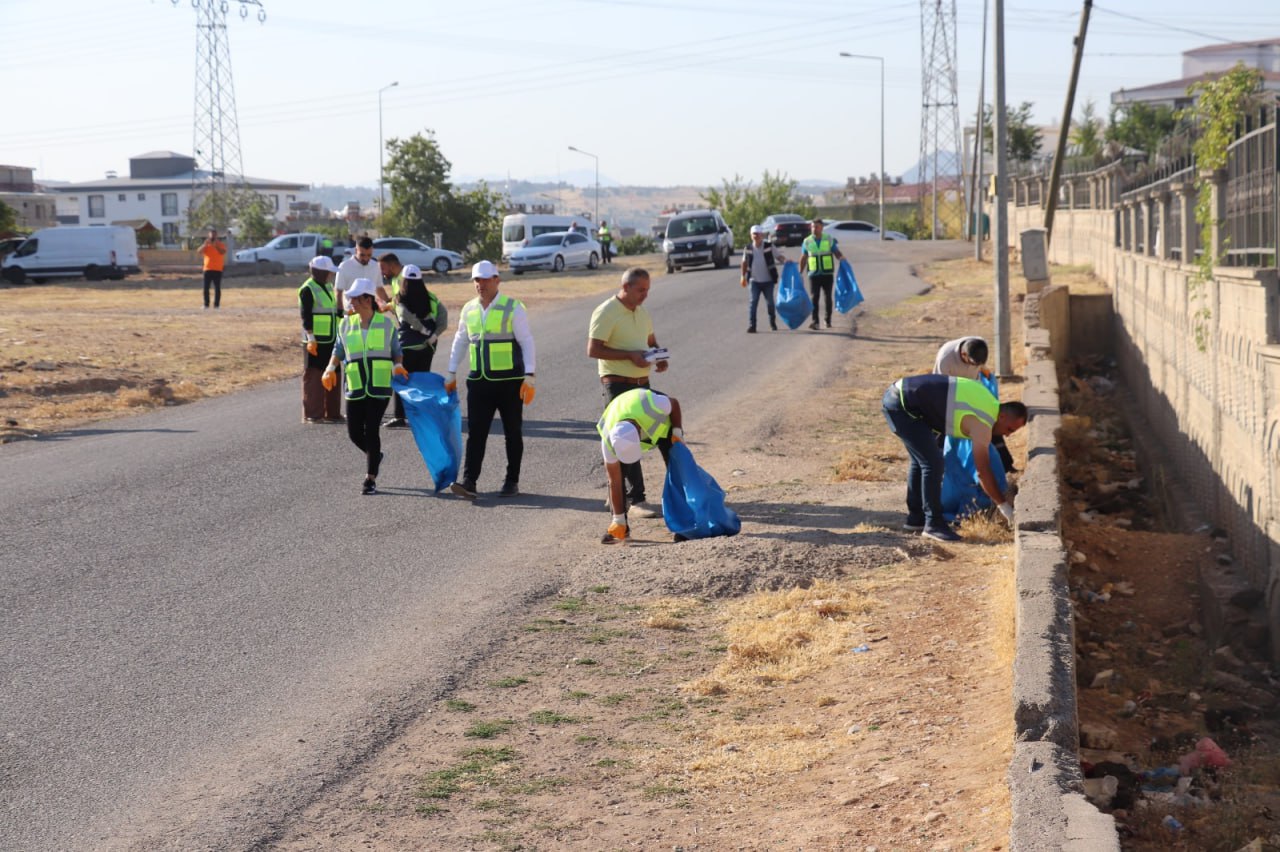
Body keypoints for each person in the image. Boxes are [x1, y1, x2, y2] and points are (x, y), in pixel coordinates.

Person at [881, 374, 1027, 542]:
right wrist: (1004, 506)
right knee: (933, 463)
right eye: (1010, 429)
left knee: (921, 461)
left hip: (900, 396)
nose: (1007, 435)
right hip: (903, 405)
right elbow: (982, 472)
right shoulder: (983, 422)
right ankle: (933, 525)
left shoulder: (986, 398)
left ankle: (917, 519)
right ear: (1002, 416)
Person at [446, 260, 536, 499]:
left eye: (485, 279)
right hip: (480, 382)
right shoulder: (469, 309)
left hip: (510, 381)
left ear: (497, 280)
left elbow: (526, 341)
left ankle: (511, 481)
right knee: (476, 432)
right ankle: (469, 481)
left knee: (512, 432)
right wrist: (451, 372)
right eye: (477, 279)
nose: (481, 284)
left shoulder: (512, 307)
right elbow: (460, 340)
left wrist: (530, 375)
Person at [587, 267, 668, 518]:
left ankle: (619, 492)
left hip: (641, 383)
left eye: (648, 290)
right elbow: (593, 349)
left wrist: (659, 355)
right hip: (618, 383)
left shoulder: (641, 312)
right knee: (625, 438)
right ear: (626, 287)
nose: (645, 295)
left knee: (657, 432)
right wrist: (629, 356)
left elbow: (650, 340)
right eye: (641, 290)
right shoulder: (606, 311)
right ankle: (636, 500)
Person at [322, 278, 408, 495]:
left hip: (379, 386)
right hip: (355, 385)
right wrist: (330, 369)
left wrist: (398, 365)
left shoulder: (386, 324)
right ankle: (375, 455)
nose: (351, 300)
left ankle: (370, 478)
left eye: (355, 297)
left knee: (371, 430)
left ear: (368, 299)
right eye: (350, 297)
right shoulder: (345, 324)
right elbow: (338, 350)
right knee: (353, 433)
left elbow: (397, 350)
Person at [597, 388, 683, 545]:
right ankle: (620, 527)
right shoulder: (608, 438)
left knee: (677, 471)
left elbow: (674, 403)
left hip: (663, 423)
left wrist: (677, 432)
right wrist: (618, 519)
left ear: (638, 431)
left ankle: (683, 525)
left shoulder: (653, 404)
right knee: (619, 476)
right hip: (627, 415)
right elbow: (614, 482)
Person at [384, 263, 448, 428]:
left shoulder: (399, 297)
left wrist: (421, 329)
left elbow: (405, 316)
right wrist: (433, 335)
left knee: (401, 379)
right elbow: (443, 316)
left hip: (405, 347)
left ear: (403, 280)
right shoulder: (431, 297)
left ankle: (400, 416)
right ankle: (420, 414)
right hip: (427, 347)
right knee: (421, 379)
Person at [298, 255, 343, 423]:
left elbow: (332, 311)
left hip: (331, 338)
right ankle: (313, 414)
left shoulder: (327, 286)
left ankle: (333, 413)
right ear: (319, 272)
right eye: (328, 272)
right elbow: (306, 315)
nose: (331, 275)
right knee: (314, 376)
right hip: (315, 341)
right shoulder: (308, 289)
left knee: (334, 373)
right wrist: (310, 337)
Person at [797, 218, 844, 330]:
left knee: (828, 297)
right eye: (812, 227)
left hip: (827, 273)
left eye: (817, 227)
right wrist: (800, 272)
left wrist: (841, 258)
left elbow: (836, 251)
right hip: (813, 274)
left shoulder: (828, 239)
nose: (814, 229)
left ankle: (827, 321)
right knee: (814, 298)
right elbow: (803, 257)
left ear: (822, 227)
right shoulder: (807, 241)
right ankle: (815, 322)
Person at [739, 224, 784, 333]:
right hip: (754, 281)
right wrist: (743, 276)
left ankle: (772, 322)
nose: (756, 236)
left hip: (768, 281)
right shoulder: (748, 248)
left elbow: (778, 256)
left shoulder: (769, 246)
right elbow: (744, 263)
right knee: (753, 302)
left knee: (770, 304)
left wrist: (786, 261)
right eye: (754, 234)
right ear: (751, 235)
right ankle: (752, 325)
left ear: (762, 235)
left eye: (758, 234)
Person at [335, 236, 380, 312]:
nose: (366, 258)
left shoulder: (376, 266)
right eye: (362, 255)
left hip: (370, 312)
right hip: (351, 312)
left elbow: (380, 289)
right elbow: (339, 291)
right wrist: (339, 309)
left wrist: (388, 303)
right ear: (356, 251)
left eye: (369, 255)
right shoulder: (344, 266)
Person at [199, 228, 226, 309]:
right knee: (206, 288)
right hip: (207, 269)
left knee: (217, 288)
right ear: (209, 235)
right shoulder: (206, 244)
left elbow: (222, 252)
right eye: (211, 234)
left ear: (216, 235)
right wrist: (204, 245)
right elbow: (199, 251)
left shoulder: (220, 244)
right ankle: (206, 304)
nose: (213, 236)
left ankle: (216, 305)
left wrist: (215, 246)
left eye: (214, 234)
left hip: (218, 269)